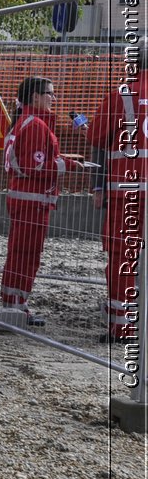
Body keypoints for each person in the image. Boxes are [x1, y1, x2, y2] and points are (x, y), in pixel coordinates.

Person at [90, 45, 147, 346]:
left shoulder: (123, 94)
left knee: (123, 258)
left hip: (128, 190)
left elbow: (95, 137)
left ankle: (123, 328)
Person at [0, 76, 63, 321]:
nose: (53, 98)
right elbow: (34, 165)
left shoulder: (26, 121)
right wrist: (67, 164)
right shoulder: (35, 124)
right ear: (35, 97)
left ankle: (13, 303)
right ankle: (16, 307)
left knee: (20, 252)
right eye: (49, 93)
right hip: (32, 201)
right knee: (27, 255)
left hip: (26, 198)